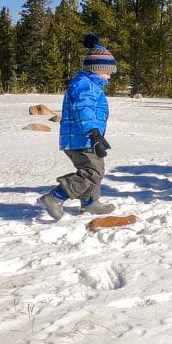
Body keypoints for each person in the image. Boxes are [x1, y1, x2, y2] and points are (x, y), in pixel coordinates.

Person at [38, 34, 118, 220]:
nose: (110, 75)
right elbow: (84, 109)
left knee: (96, 168)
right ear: (97, 69)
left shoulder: (90, 83)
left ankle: (90, 202)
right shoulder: (85, 85)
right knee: (92, 171)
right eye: (108, 71)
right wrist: (94, 132)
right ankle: (55, 197)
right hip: (82, 138)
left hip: (86, 137)